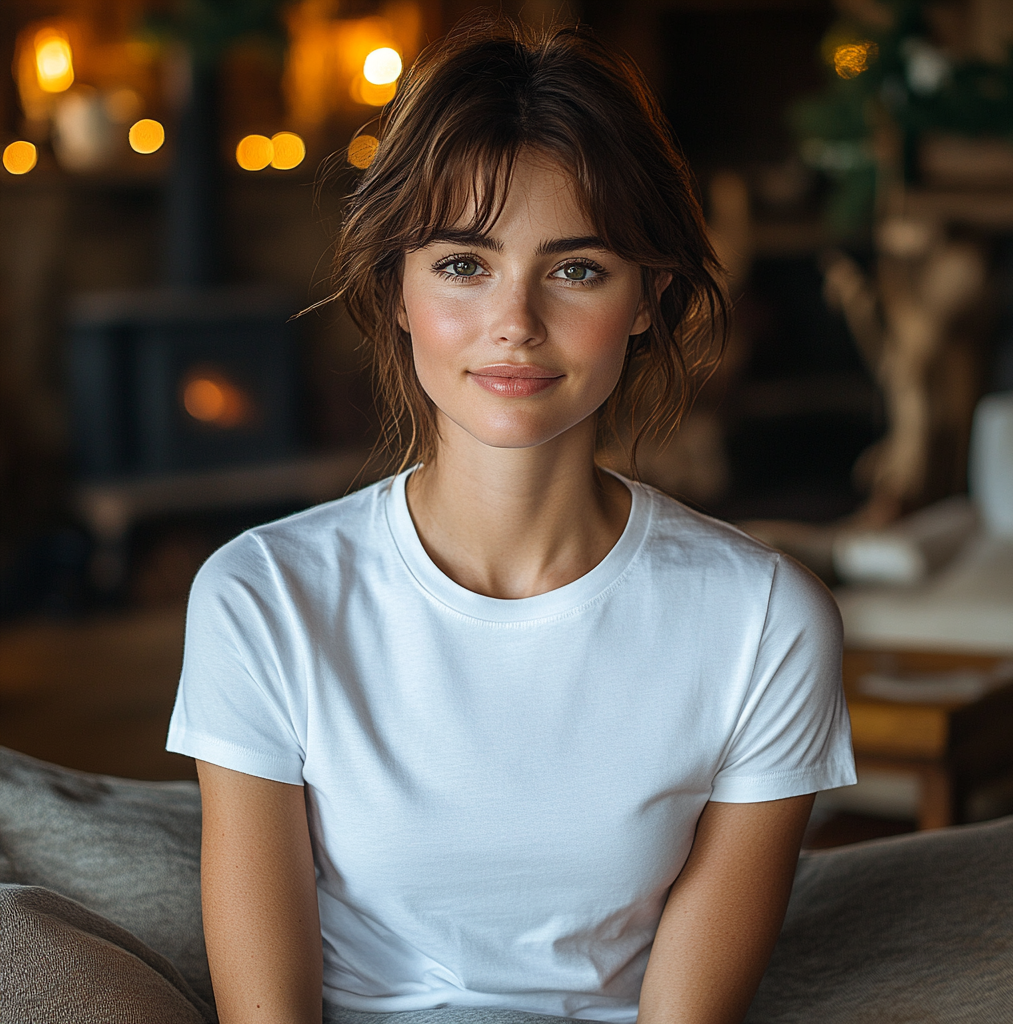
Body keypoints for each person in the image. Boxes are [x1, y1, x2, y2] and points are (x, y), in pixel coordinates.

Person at [167, 18, 856, 1024]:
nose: (514, 321)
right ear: (397, 289)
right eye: (461, 263)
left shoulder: (762, 621)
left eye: (574, 268)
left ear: (645, 296)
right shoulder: (262, 596)